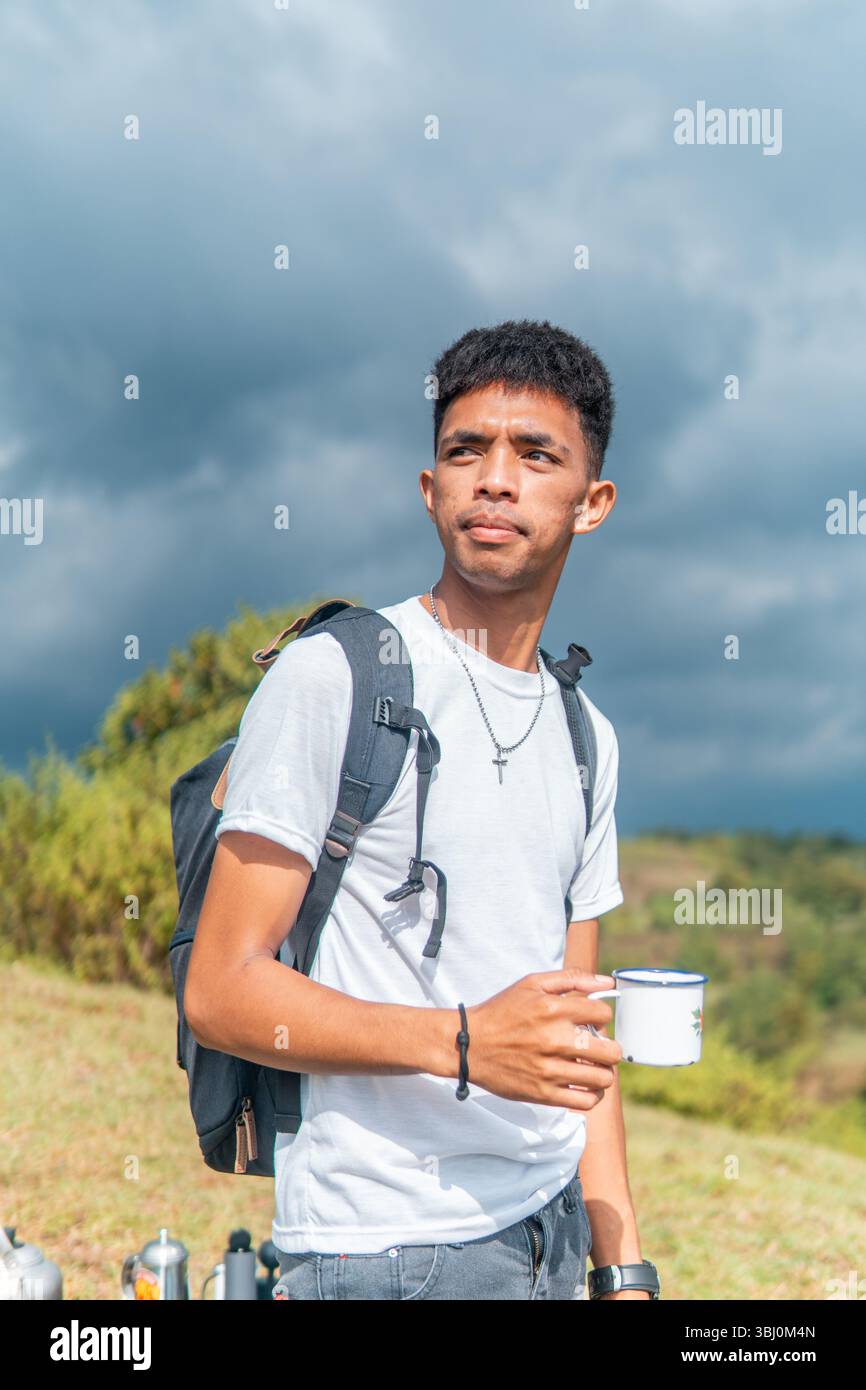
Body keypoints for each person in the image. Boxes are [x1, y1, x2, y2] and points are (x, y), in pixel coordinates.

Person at [185, 318, 649, 1300]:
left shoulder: (585, 736)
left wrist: (624, 1267)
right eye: (462, 450)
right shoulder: (333, 677)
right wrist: (466, 1039)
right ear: (428, 487)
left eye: (534, 454)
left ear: (592, 501)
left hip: (549, 1235)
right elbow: (220, 991)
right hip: (382, 1251)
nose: (493, 477)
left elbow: (574, 1038)